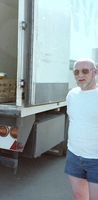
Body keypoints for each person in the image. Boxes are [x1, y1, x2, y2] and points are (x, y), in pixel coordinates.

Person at [65, 58, 98, 199]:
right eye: (76, 72)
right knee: (79, 196)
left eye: (85, 71)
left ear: (95, 72)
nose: (80, 75)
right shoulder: (72, 94)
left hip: (95, 159)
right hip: (74, 156)